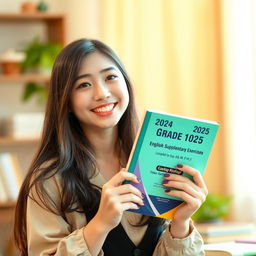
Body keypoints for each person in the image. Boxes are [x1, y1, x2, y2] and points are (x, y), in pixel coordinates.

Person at [14, 39, 208, 256]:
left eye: (110, 77)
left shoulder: (154, 160)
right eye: (84, 85)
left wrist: (181, 223)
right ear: (65, 100)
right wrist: (101, 224)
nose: (102, 93)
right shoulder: (48, 179)